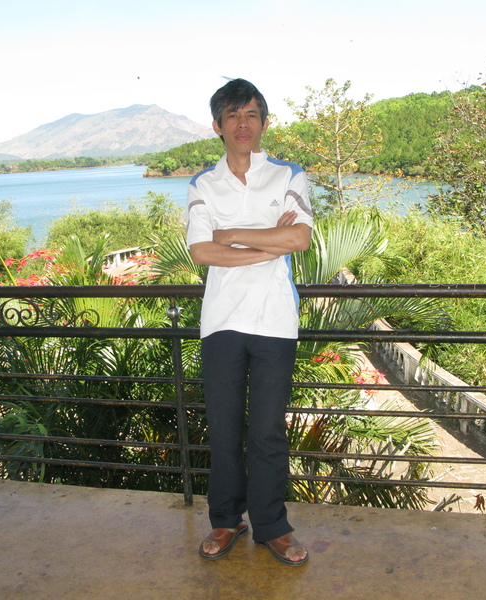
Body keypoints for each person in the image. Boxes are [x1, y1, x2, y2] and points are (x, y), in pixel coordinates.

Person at [186, 78, 313, 566]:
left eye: (252, 114)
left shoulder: (288, 176)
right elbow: (202, 251)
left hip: (275, 318)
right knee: (223, 428)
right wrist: (267, 244)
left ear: (264, 122)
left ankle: (272, 527)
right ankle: (226, 520)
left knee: (266, 430)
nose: (243, 124)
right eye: (233, 116)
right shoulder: (203, 184)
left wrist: (232, 234)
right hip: (221, 320)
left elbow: (298, 240)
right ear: (217, 125)